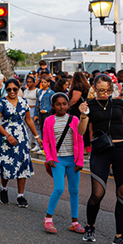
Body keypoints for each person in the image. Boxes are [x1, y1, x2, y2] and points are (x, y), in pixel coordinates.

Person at [78, 74, 123, 244]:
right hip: (101, 151)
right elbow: (81, 131)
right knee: (97, 193)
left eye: (107, 90)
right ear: (94, 88)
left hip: (121, 150)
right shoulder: (89, 105)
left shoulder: (119, 104)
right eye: (100, 90)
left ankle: (120, 237)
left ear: (111, 89)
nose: (104, 94)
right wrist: (83, 115)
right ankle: (90, 226)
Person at [42, 93, 85, 234]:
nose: (62, 107)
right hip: (57, 160)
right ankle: (48, 219)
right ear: (53, 106)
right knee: (59, 188)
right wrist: (49, 157)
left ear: (68, 105)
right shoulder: (49, 120)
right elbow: (46, 141)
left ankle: (75, 222)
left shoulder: (74, 119)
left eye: (64, 104)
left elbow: (80, 140)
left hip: (73, 160)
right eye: (58, 104)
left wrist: (80, 160)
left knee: (74, 190)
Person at [0, 78, 42, 207]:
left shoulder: (23, 102)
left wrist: (37, 136)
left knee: (22, 165)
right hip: (5, 138)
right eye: (9, 89)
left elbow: (29, 120)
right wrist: (7, 135)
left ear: (19, 88)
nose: (12, 91)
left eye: (14, 89)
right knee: (6, 164)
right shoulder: (1, 103)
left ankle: (20, 195)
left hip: (21, 137)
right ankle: (3, 189)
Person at [22, 75, 38, 149]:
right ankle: (29, 142)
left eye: (30, 82)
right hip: (26, 109)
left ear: (34, 83)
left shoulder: (37, 91)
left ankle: (35, 143)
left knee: (33, 126)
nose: (28, 83)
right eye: (27, 82)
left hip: (33, 109)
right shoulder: (25, 91)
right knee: (26, 127)